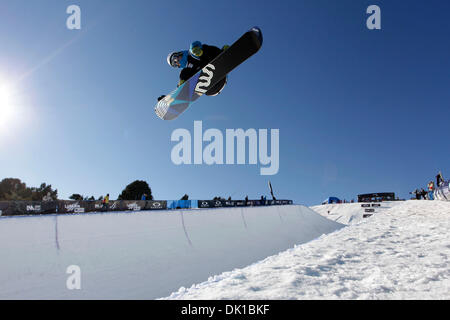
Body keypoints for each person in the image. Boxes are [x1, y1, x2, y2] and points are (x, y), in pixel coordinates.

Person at [159, 41, 229, 101]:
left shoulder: (191, 53)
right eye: (174, 64)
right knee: (183, 75)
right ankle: (174, 99)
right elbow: (181, 87)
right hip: (212, 88)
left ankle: (222, 53)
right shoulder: (185, 72)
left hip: (216, 69)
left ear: (179, 54)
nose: (177, 62)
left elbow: (198, 44)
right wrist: (167, 100)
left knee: (194, 50)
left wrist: (197, 49)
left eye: (175, 58)